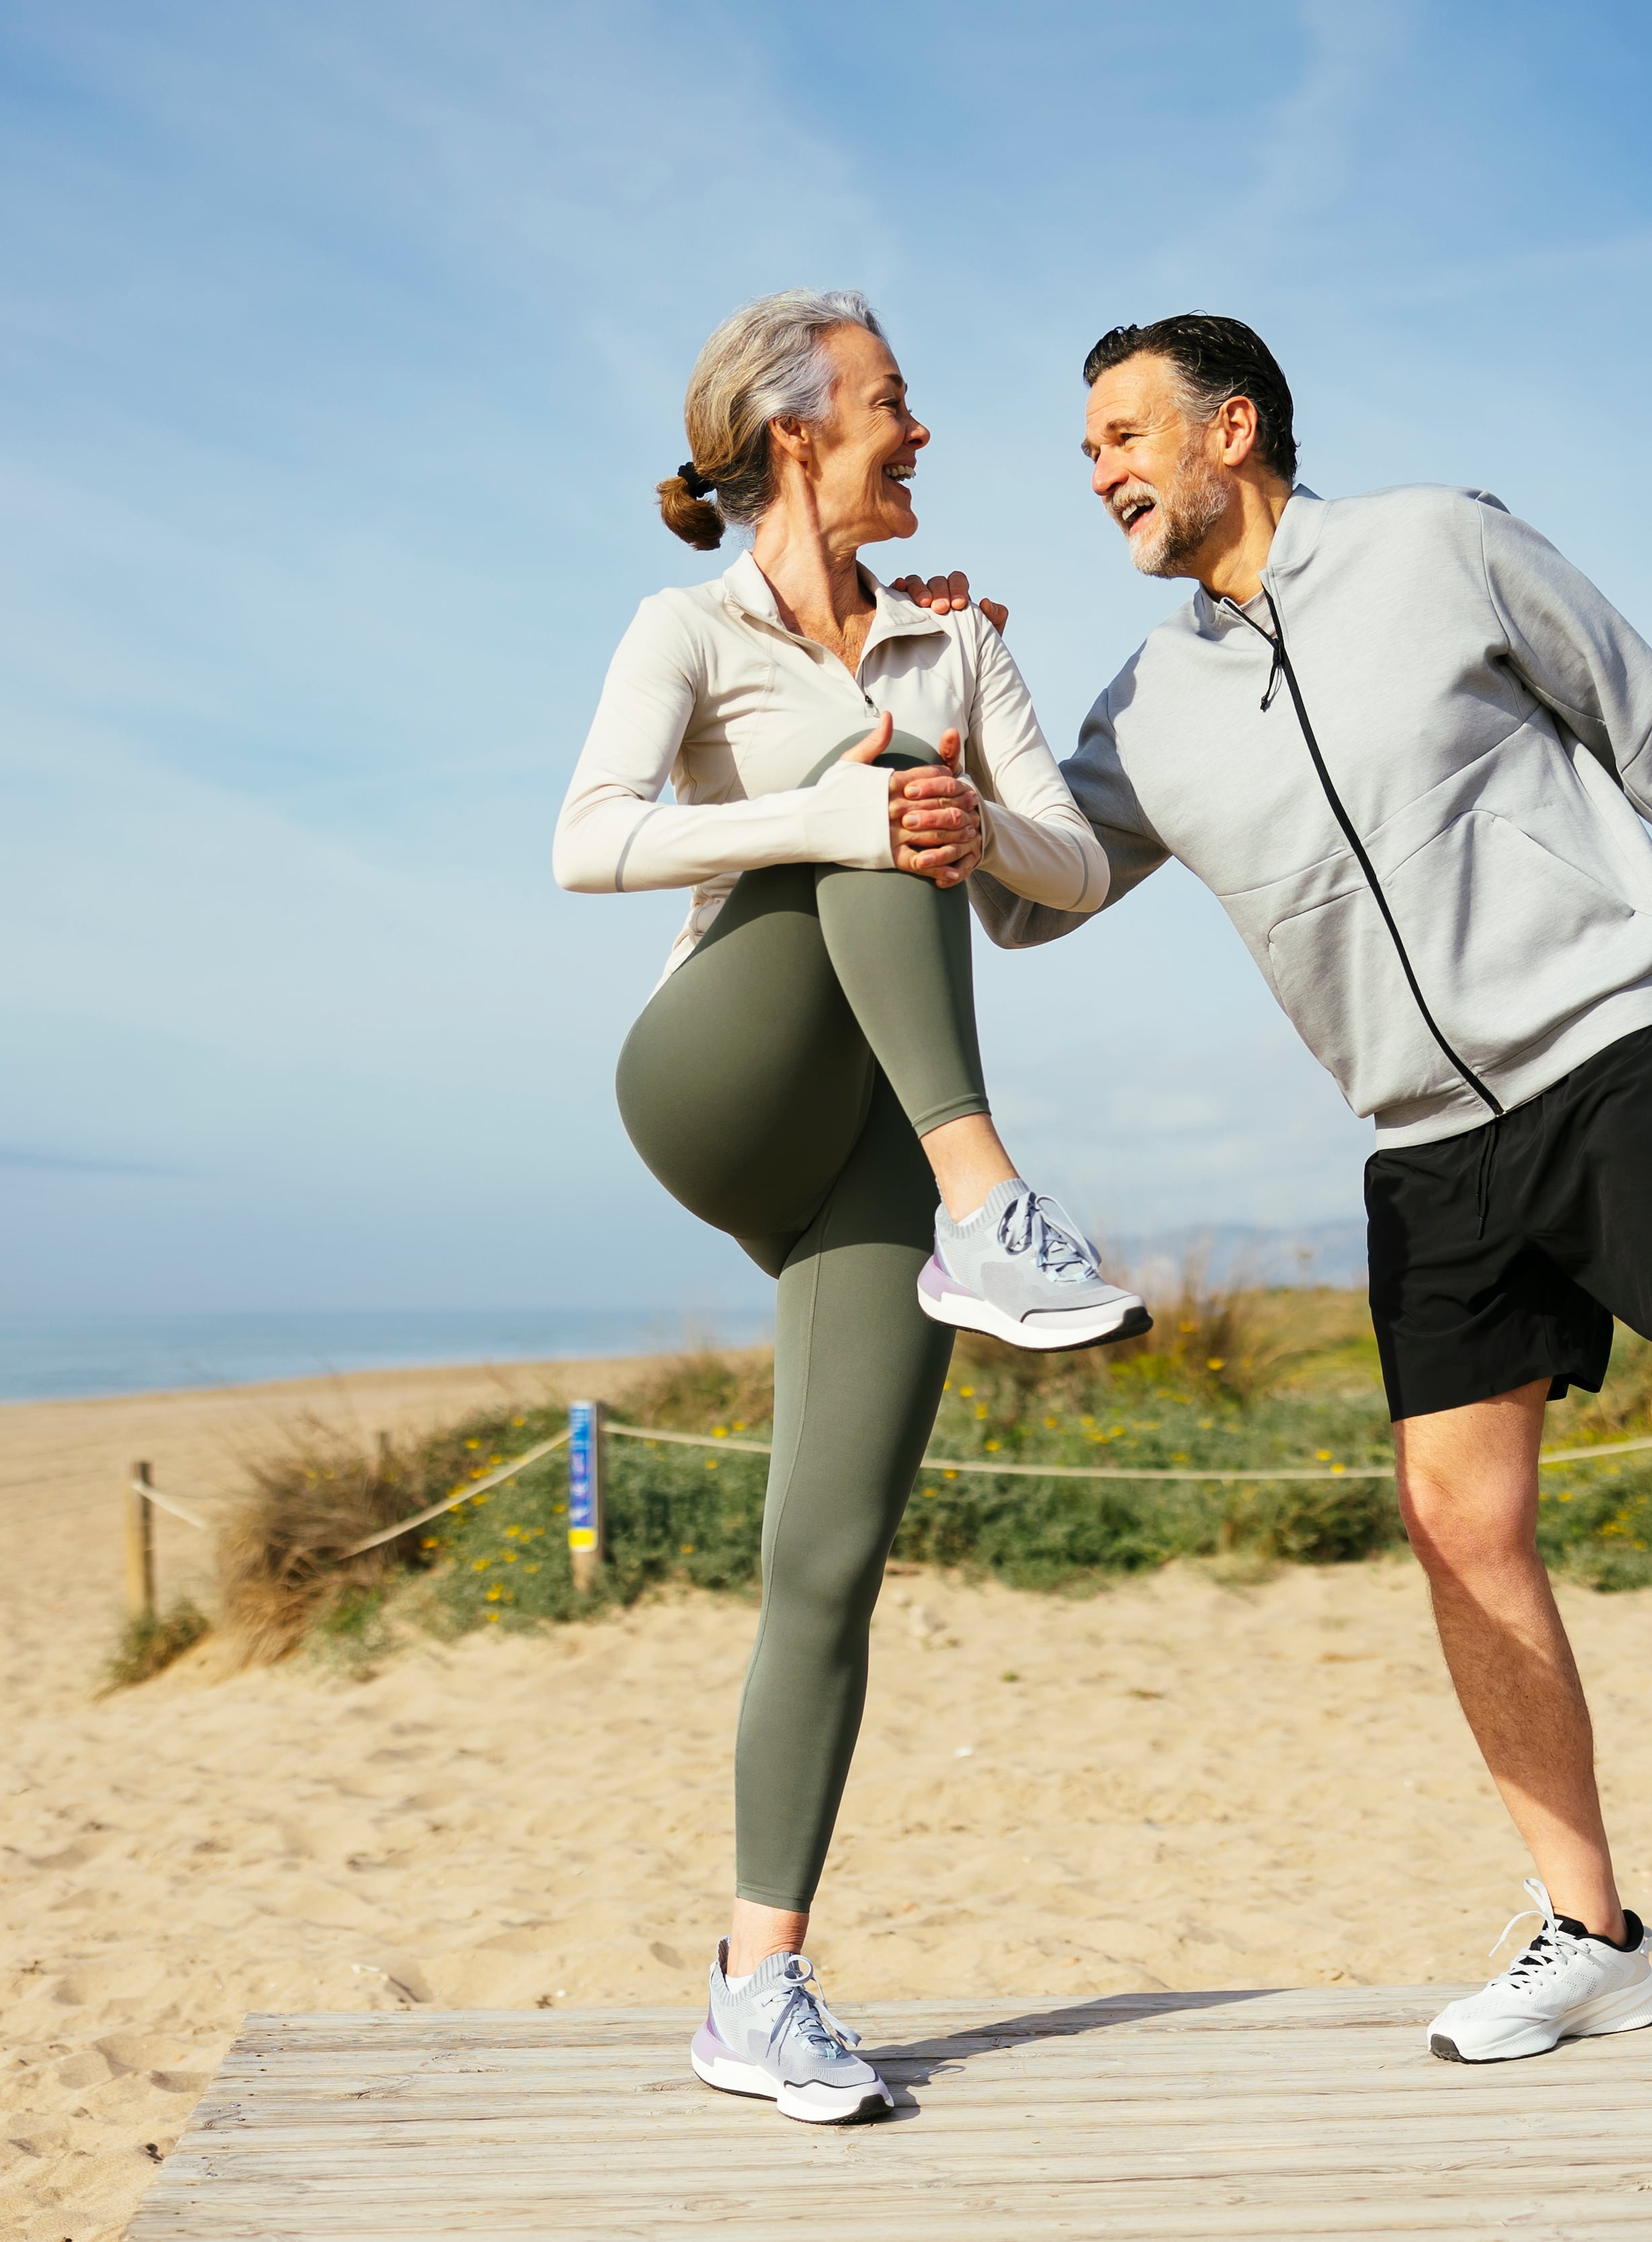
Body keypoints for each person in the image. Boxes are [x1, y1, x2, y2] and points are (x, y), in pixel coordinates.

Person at [932, 313, 1652, 2065]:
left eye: (1124, 436)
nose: (1102, 476)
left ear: (1234, 427)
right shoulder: (1148, 702)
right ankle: (1588, 1927)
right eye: (1087, 454)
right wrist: (952, 756)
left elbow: (1646, 714)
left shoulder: (1437, 546)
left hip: (1608, 1052)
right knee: (1462, 1532)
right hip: (1419, 1146)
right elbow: (1033, 895)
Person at [551, 289, 1141, 2124]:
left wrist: (968, 816)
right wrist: (841, 809)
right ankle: (996, 1204)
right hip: (722, 1074)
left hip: (879, 1137)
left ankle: (757, 1983)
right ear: (800, 431)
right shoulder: (688, 624)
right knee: (881, 784)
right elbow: (587, 839)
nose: (926, 434)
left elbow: (1072, 876)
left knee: (826, 1559)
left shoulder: (954, 645)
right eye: (898, 403)